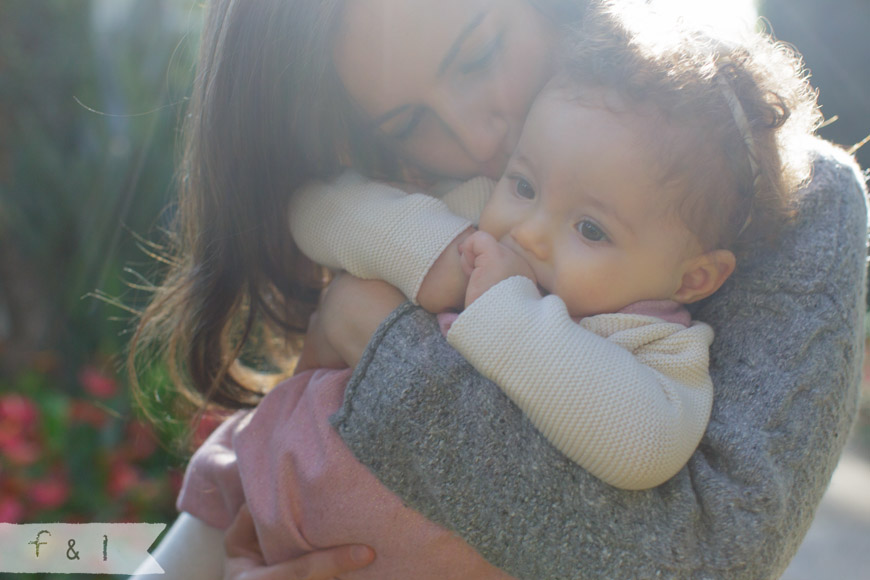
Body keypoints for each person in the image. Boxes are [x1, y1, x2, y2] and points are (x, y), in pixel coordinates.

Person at [129, 0, 867, 578]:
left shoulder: (755, 204)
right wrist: (436, 252)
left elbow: (700, 557)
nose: (474, 136)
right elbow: (319, 208)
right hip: (258, 486)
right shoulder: (500, 193)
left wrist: (394, 333)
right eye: (410, 122)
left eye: (479, 54)